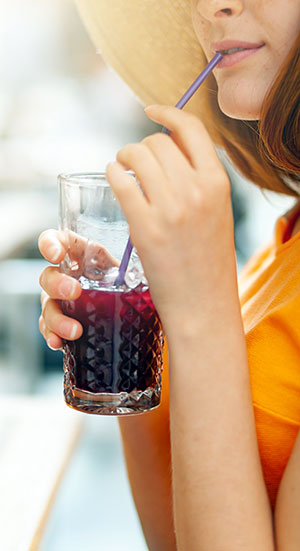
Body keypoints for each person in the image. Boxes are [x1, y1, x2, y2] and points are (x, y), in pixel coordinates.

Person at [38, 1, 300, 549]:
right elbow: (173, 539)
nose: (209, 7)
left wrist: (202, 308)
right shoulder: (285, 246)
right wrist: (144, 331)